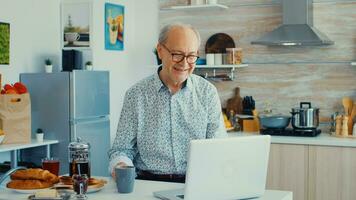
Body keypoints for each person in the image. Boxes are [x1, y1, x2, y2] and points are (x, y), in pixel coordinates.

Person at [108, 23, 227, 183]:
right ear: (160, 50)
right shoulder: (136, 95)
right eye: (177, 54)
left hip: (197, 183)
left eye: (191, 56)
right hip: (148, 183)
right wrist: (121, 165)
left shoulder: (207, 93)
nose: (184, 63)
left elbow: (218, 146)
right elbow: (121, 149)